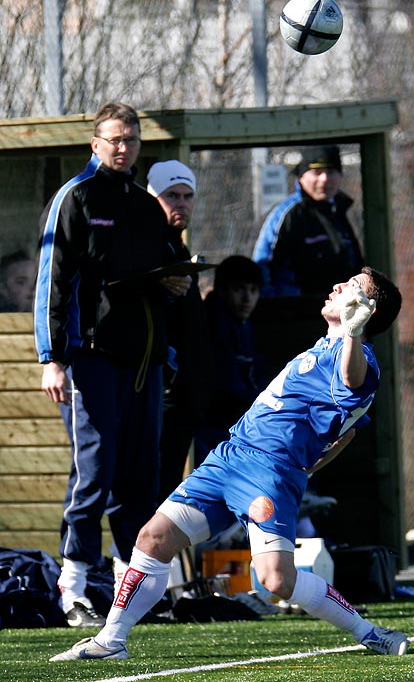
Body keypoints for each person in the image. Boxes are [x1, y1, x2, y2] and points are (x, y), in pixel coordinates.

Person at [50, 265, 409, 661]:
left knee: (276, 580)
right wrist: (312, 465)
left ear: (366, 310)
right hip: (229, 456)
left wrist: (354, 335)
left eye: (353, 287)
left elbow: (353, 382)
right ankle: (110, 641)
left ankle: (370, 633)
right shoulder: (324, 347)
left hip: (267, 472)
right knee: (153, 537)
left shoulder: (360, 361)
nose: (338, 285)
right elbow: (349, 431)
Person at [34, 102, 192, 627]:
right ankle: (73, 589)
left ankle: (132, 594)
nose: (122, 147)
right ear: (95, 143)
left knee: (138, 477)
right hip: (91, 360)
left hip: (143, 364)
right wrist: (52, 358)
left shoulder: (146, 207)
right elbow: (52, 283)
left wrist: (174, 286)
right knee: (93, 474)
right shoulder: (74, 198)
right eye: (113, 139)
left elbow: (158, 283)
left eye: (131, 139)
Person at [146, 159, 213, 502]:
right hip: (163, 387)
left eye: (188, 196)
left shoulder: (177, 245)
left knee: (172, 476)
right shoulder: (145, 245)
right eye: (172, 195)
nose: (182, 203)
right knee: (153, 477)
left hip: (185, 388)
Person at [252, 145, 364, 297]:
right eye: (317, 172)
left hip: (339, 310)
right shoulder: (288, 214)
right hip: (297, 313)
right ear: (301, 176)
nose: (324, 179)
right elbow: (262, 264)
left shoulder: (340, 212)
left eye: (331, 172)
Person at [194, 255, 268, 465]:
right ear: (221, 290)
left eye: (253, 290)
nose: (247, 298)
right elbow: (225, 382)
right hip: (217, 419)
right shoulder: (213, 325)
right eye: (239, 289)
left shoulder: (243, 326)